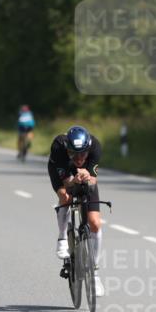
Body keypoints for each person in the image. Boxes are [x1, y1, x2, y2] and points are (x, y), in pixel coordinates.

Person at [48, 126, 104, 296]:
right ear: (68, 150)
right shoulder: (59, 146)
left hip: (85, 177)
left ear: (88, 149)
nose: (79, 159)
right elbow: (66, 183)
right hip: (62, 173)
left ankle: (94, 274)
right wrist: (74, 180)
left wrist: (87, 178)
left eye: (83, 154)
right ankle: (62, 237)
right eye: (74, 154)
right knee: (66, 198)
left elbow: (93, 181)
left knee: (95, 222)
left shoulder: (95, 147)